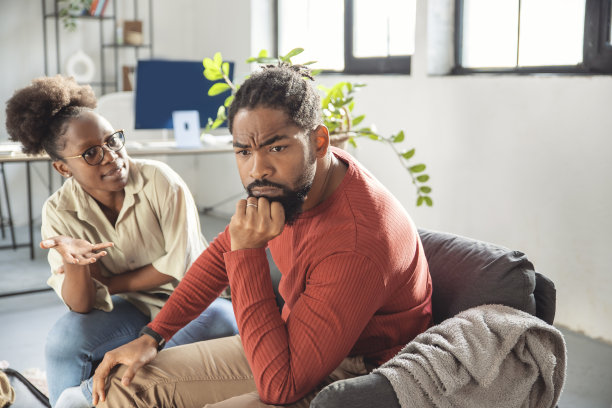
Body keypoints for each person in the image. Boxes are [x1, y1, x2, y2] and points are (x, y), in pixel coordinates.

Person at [91, 64, 433, 408]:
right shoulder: (297, 184)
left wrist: (248, 253)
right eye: (244, 151)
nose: (257, 169)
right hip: (293, 337)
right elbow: (221, 255)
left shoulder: (355, 242)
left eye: (276, 148)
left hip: (362, 376)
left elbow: (279, 389)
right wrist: (154, 335)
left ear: (319, 142)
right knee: (125, 385)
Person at [4, 75, 239, 407]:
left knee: (218, 322)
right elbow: (83, 306)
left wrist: (110, 282)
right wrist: (76, 266)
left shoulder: (160, 181)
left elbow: (178, 268)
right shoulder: (58, 212)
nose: (112, 156)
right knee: (64, 339)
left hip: (194, 303)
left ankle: (85, 400)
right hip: (132, 307)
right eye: (91, 153)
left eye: (113, 140)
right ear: (62, 168)